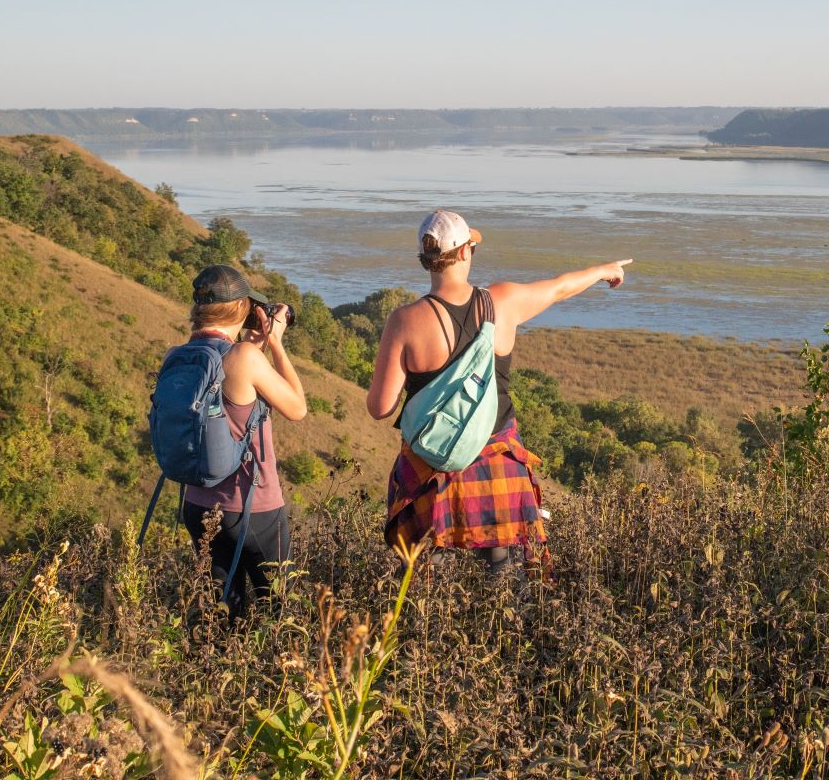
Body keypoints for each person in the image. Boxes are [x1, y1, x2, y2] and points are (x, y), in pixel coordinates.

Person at [368, 210, 631, 575]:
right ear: (464, 253)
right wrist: (605, 270)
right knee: (503, 574)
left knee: (426, 575)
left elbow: (380, 407)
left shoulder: (404, 321)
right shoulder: (501, 301)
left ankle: (424, 629)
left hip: (432, 465)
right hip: (496, 456)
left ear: (426, 259)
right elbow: (559, 288)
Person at [178, 264, 308, 615]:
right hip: (252, 510)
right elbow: (297, 408)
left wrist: (252, 346)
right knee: (281, 612)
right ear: (243, 309)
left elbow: (235, 395)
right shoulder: (245, 358)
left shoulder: (184, 355)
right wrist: (276, 345)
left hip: (198, 505)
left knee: (217, 615)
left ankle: (209, 666)